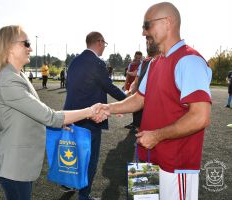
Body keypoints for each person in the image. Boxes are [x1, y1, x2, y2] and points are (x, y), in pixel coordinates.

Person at [97, 2, 212, 200]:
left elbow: (200, 117)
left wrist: (157, 136)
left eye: (147, 25)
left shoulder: (189, 60)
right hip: (147, 159)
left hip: (175, 168)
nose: (143, 32)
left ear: (168, 22)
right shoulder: (155, 62)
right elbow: (139, 99)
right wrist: (108, 108)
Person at [0, 25, 108, 200]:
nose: (30, 48)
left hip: (19, 162)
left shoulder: (18, 76)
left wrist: (63, 124)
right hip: (13, 164)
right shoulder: (9, 80)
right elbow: (49, 117)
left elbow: (35, 115)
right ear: (9, 47)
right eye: (26, 43)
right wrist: (90, 111)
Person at [63, 31, 126, 200]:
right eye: (104, 44)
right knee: (90, 161)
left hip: (72, 117)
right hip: (91, 120)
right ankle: (84, 195)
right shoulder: (97, 62)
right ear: (99, 42)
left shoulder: (74, 61)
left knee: (74, 156)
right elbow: (109, 87)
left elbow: (71, 88)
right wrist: (129, 103)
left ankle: (69, 183)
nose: (104, 48)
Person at [126, 37, 160, 133]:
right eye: (147, 42)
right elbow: (136, 81)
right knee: (140, 132)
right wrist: (130, 91)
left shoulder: (171, 60)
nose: (148, 44)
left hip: (158, 109)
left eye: (150, 41)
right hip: (142, 103)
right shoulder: (144, 63)